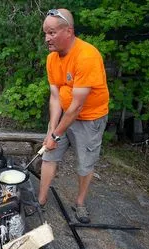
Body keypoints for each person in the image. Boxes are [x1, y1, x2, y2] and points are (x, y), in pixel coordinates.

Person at [39, 9, 109, 223]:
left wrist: (55, 135)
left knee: (85, 163)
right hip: (65, 116)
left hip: (90, 119)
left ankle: (80, 203)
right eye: (45, 33)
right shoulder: (52, 59)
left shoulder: (86, 56)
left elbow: (77, 106)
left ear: (68, 31)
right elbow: (55, 97)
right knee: (48, 155)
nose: (47, 39)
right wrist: (52, 129)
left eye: (51, 33)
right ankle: (40, 201)